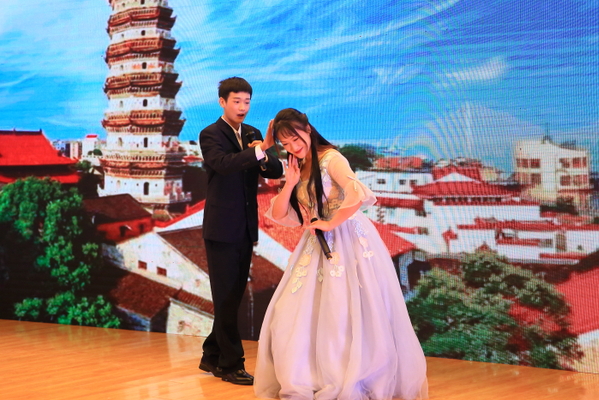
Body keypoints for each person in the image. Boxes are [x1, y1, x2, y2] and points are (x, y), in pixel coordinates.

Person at [254, 108, 428, 399]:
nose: (293, 147)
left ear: (308, 130)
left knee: (343, 311)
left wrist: (330, 223)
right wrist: (291, 182)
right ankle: (308, 376)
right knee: (291, 312)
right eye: (285, 144)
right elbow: (281, 213)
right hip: (316, 244)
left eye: (296, 139)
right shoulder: (297, 165)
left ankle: (349, 376)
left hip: (347, 239)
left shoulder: (332, 158)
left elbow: (357, 193)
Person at [198, 77, 283, 385]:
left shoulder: (253, 134)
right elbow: (222, 164)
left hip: (246, 226)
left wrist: (263, 153)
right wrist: (259, 150)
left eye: (247, 101)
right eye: (237, 101)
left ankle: (211, 356)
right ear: (222, 102)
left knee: (231, 297)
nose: (243, 107)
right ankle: (231, 364)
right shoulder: (210, 134)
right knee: (225, 298)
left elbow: (275, 169)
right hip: (221, 228)